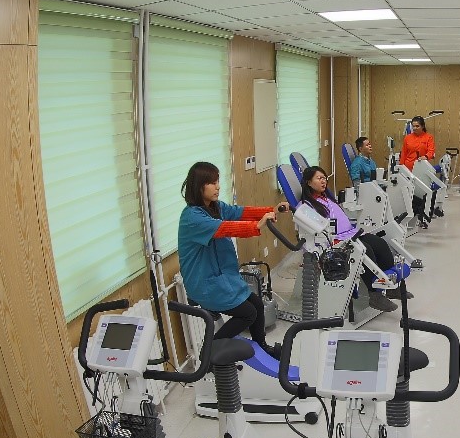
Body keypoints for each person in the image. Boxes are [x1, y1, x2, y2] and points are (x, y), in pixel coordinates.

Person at [178, 161, 288, 356]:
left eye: (218, 181)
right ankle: (209, 352)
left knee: (257, 304)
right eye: (212, 183)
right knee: (248, 314)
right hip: (204, 283)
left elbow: (239, 212)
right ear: (199, 186)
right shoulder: (191, 218)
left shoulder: (215, 207)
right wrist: (257, 226)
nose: (218, 187)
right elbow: (223, 228)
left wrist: (270, 210)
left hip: (221, 278)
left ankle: (262, 347)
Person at [299, 166, 405, 312]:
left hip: (350, 233)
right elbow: (309, 234)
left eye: (324, 178)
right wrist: (316, 256)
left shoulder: (327, 198)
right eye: (319, 178)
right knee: (366, 250)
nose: (323, 181)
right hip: (335, 241)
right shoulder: (306, 206)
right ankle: (375, 294)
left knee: (380, 244)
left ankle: (391, 287)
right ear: (308, 182)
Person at [400, 116, 437, 227]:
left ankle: (423, 217)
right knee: (410, 194)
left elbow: (431, 151)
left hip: (421, 169)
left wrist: (426, 156)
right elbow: (404, 153)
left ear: (422, 126)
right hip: (408, 169)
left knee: (423, 193)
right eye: (413, 126)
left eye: (417, 126)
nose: (415, 128)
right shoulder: (408, 138)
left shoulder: (428, 137)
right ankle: (411, 215)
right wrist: (401, 168)